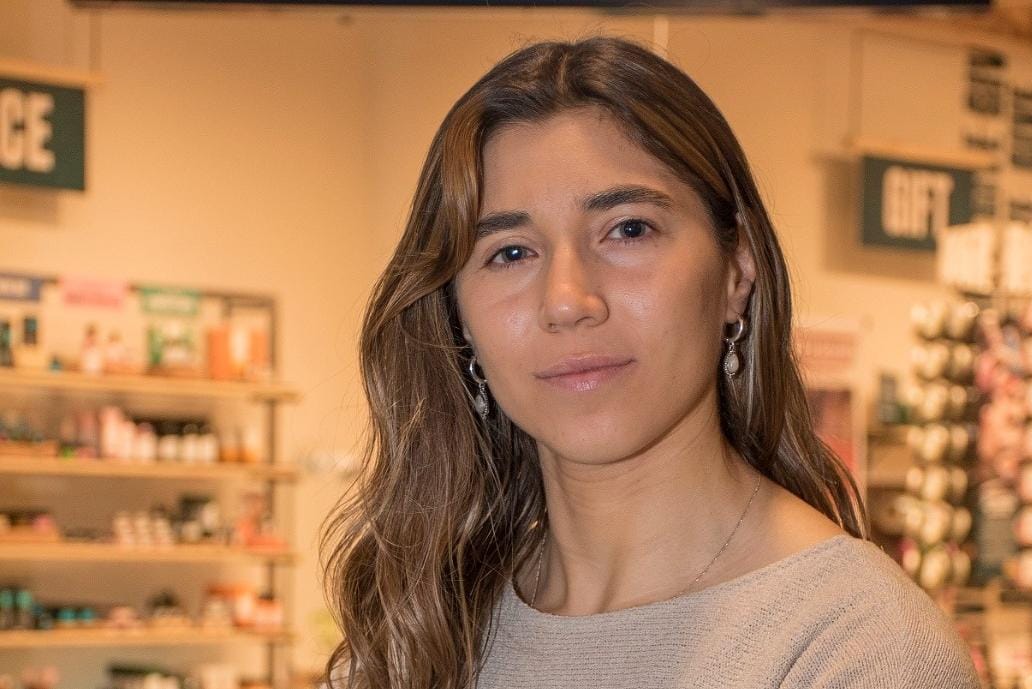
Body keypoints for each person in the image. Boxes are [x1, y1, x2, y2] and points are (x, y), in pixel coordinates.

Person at [321, 35, 981, 689]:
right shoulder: (418, 630)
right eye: (511, 253)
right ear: (459, 316)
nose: (567, 301)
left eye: (628, 230)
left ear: (737, 269)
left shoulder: (862, 647)